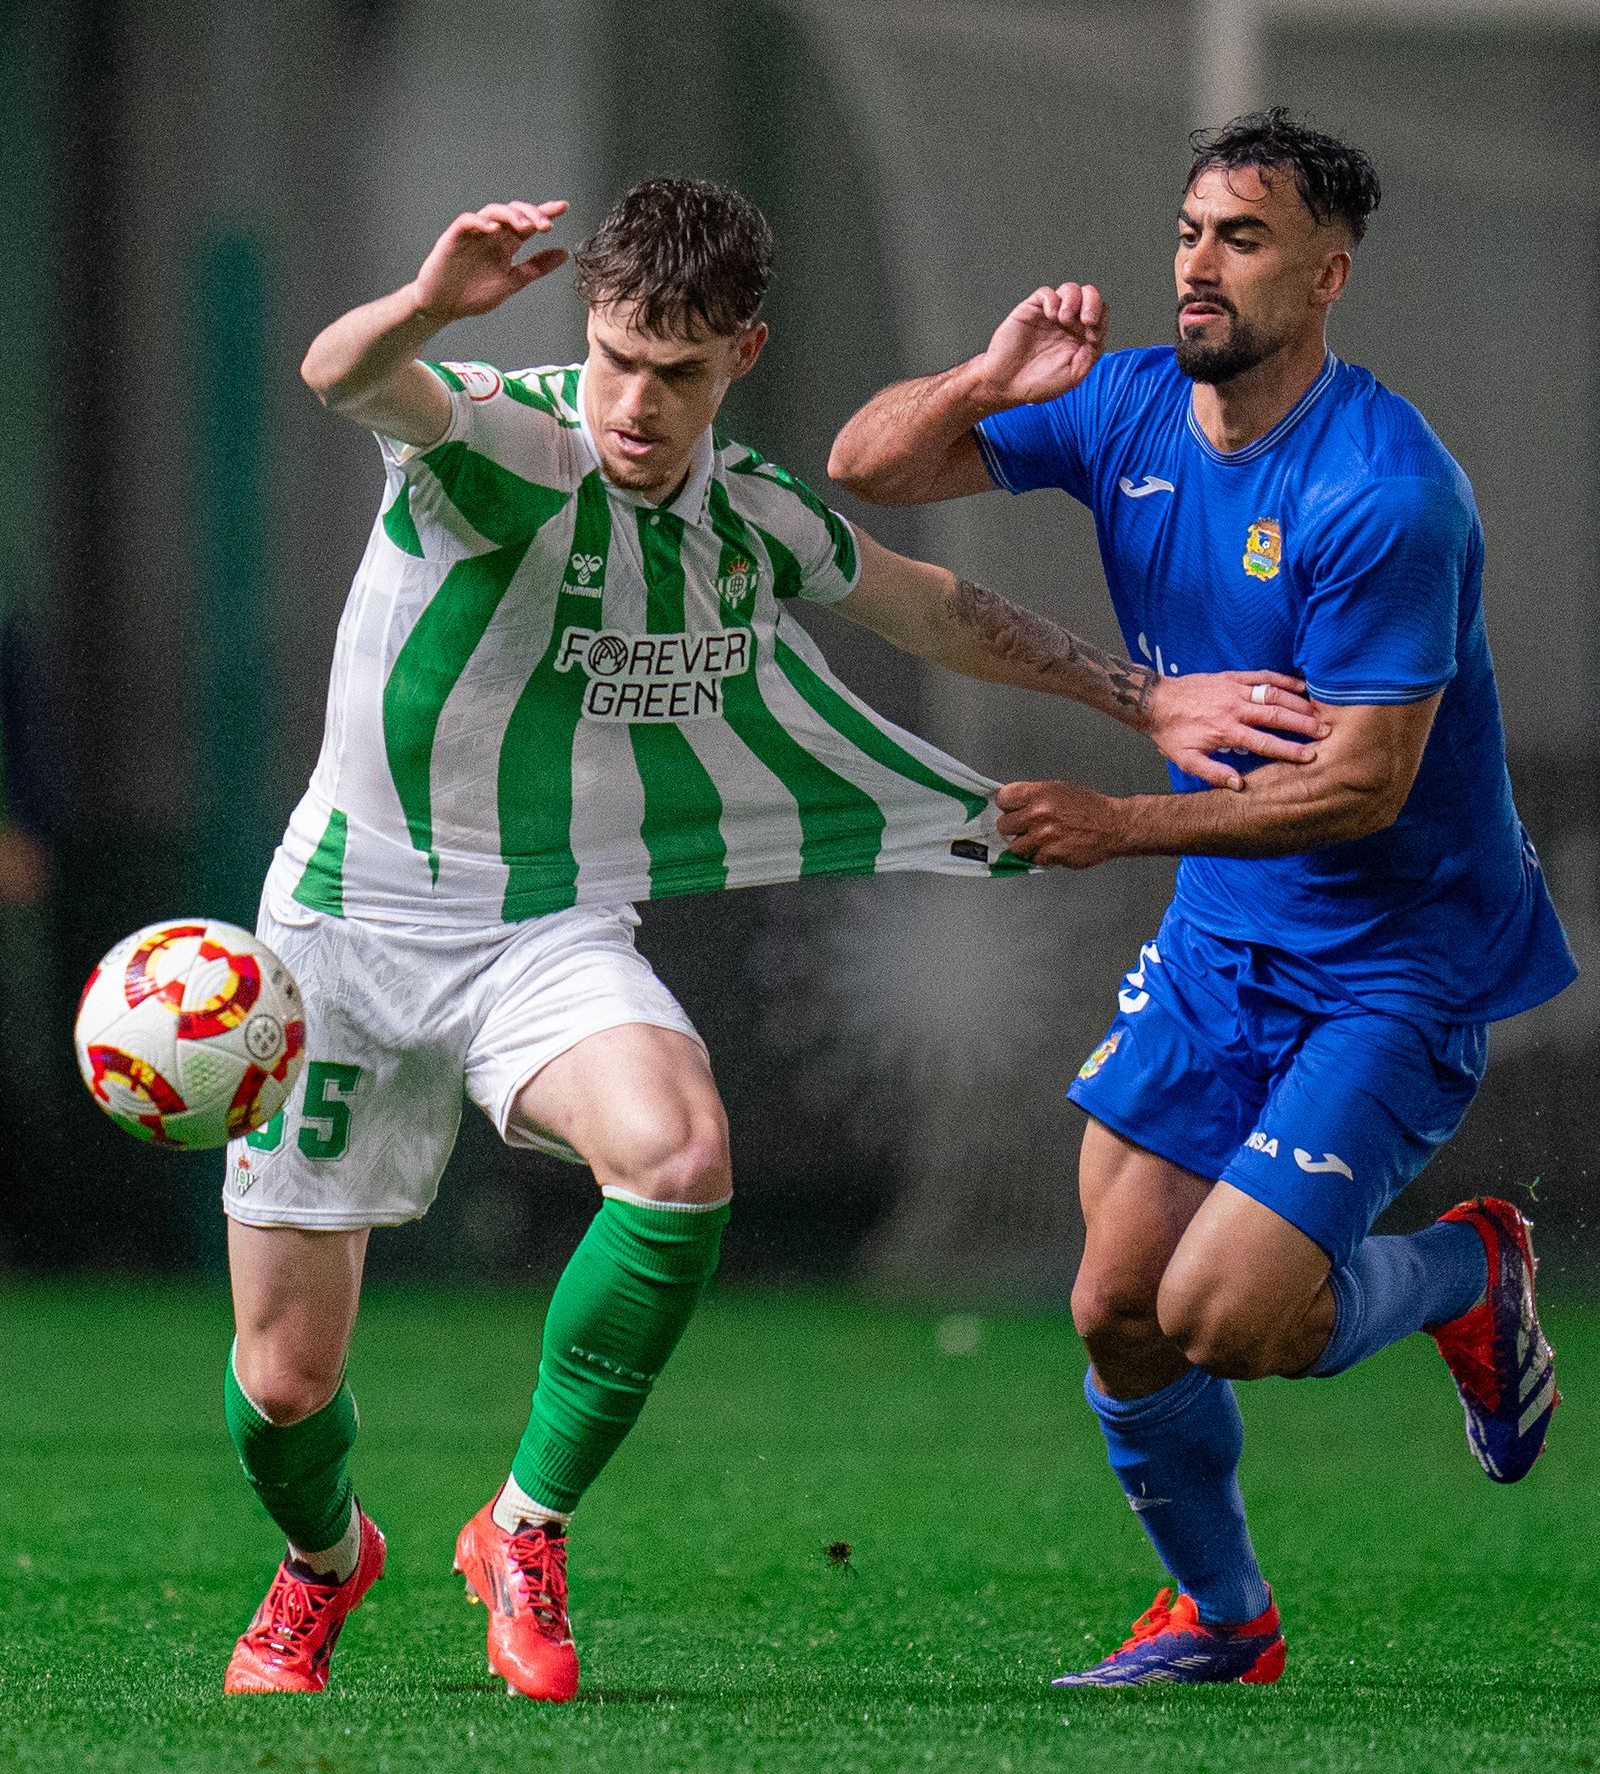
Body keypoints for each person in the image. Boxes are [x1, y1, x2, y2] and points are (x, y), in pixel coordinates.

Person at [219, 178, 1323, 1701]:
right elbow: (339, 376)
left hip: (540, 927)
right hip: (343, 935)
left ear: (742, 354)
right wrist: (426, 305)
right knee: (285, 1388)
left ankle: (523, 1525)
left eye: (677, 372)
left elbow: (929, 605)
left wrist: (1147, 700)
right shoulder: (501, 441)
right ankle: (326, 1564)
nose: (637, 403)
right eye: (615, 356)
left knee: (679, 1158)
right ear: (584, 334)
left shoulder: (747, 514)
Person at [829, 109, 1577, 1687]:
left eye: (1241, 239)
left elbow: (1364, 784)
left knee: (1231, 1317)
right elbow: (864, 467)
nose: (1197, 266)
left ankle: (1467, 1269)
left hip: (1395, 957)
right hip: (1233, 939)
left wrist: (1117, 818)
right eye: (1187, 232)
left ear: (1327, 274)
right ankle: (1224, 1621)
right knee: (1116, 1304)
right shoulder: (1126, 410)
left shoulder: (1387, 491)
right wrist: (985, 380)